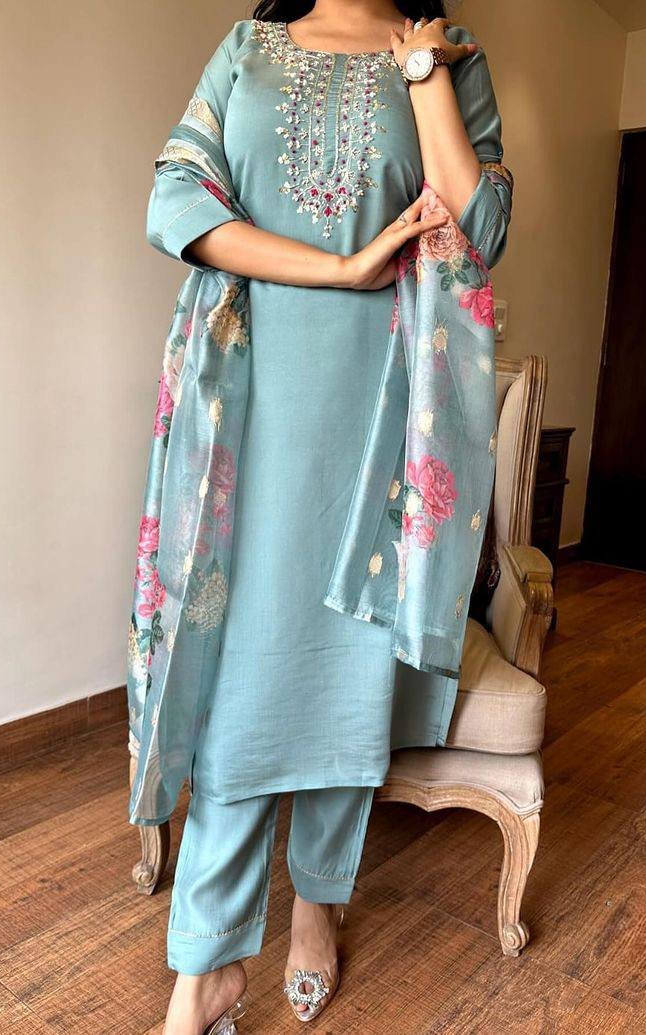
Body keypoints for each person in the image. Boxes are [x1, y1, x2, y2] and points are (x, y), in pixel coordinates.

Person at [143, 2, 512, 1031]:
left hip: (386, 402)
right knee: (240, 675)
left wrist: (425, 76)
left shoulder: (449, 54)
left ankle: (318, 899)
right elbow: (177, 198)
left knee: (348, 659)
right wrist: (340, 266)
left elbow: (481, 231)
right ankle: (207, 962)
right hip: (252, 399)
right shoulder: (249, 47)